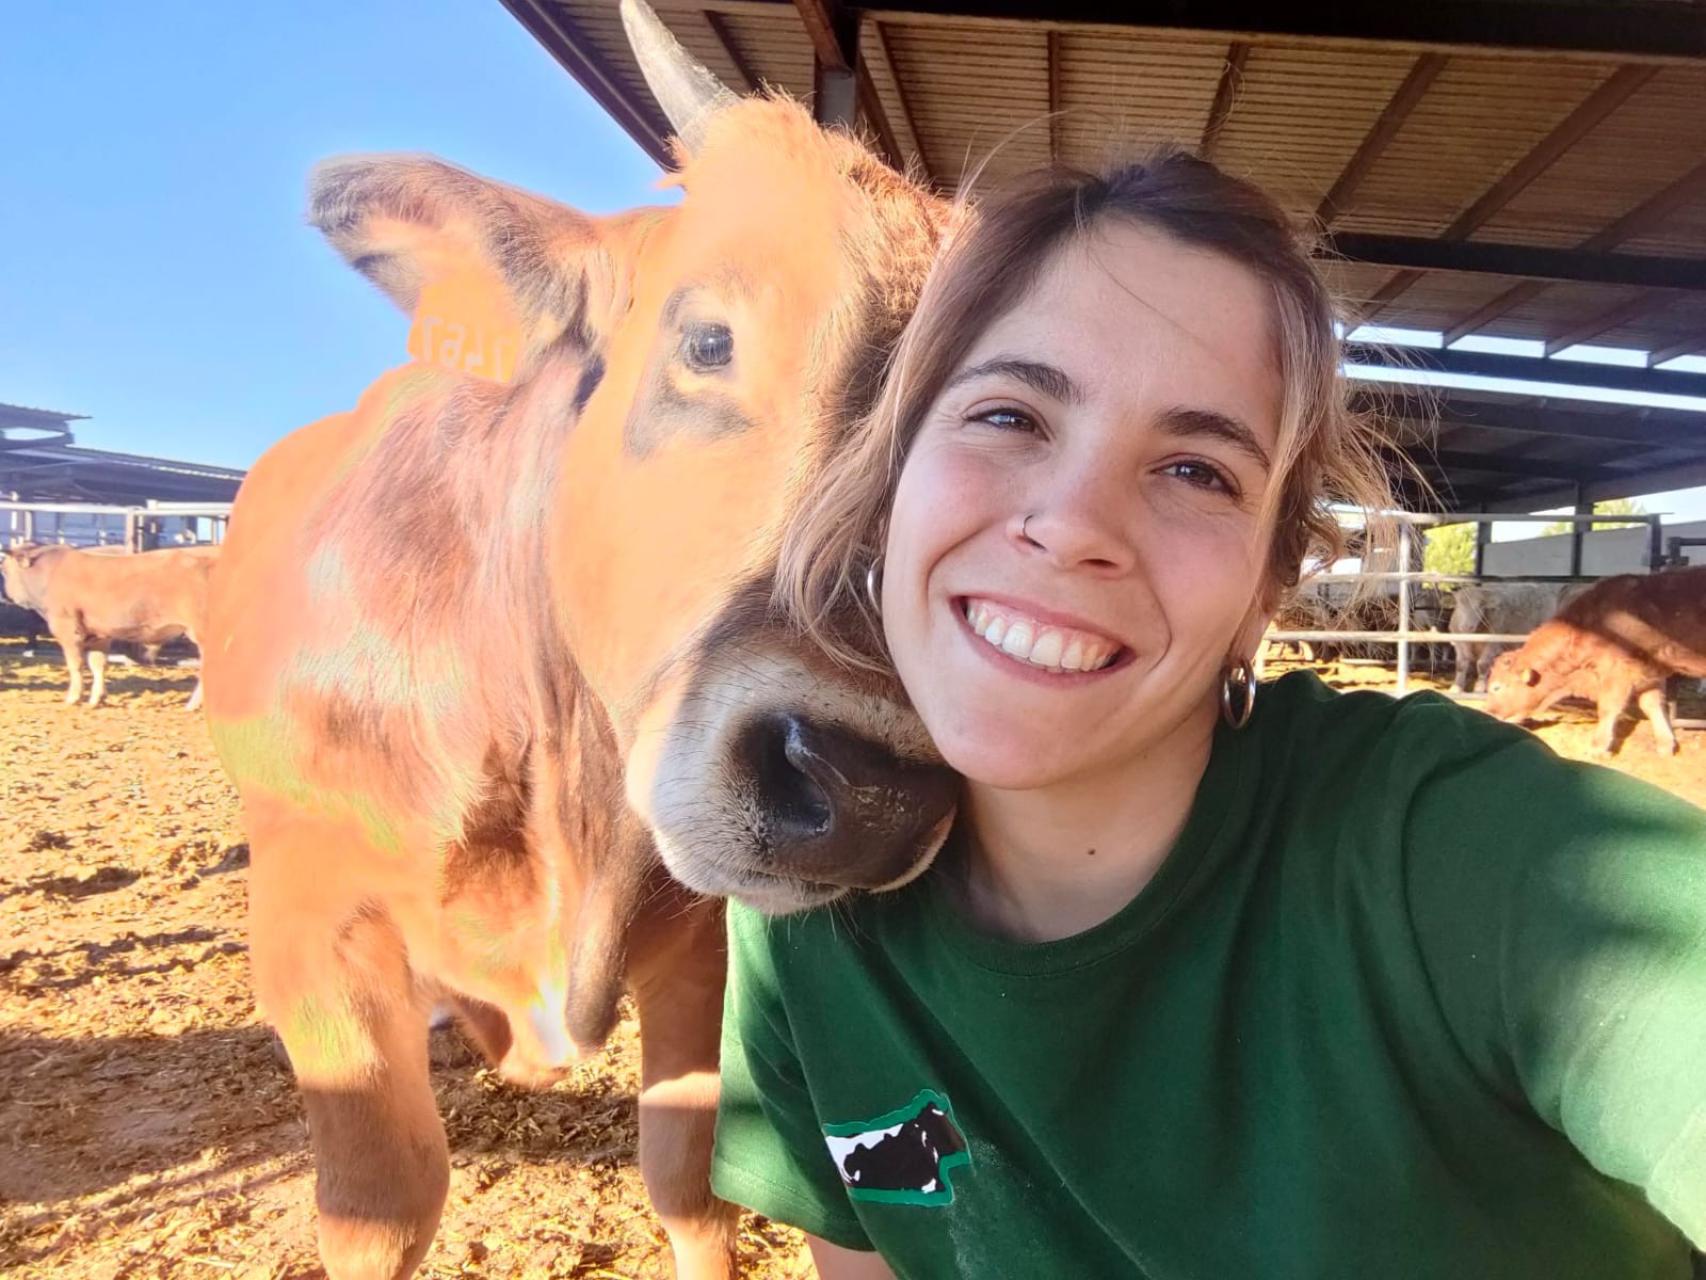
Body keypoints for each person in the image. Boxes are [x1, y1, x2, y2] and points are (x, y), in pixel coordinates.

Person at [708, 151, 1706, 1279]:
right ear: (886, 485)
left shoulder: (1457, 854)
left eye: (1194, 469)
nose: (1072, 519)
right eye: (1008, 413)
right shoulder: (811, 901)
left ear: (1261, 598)